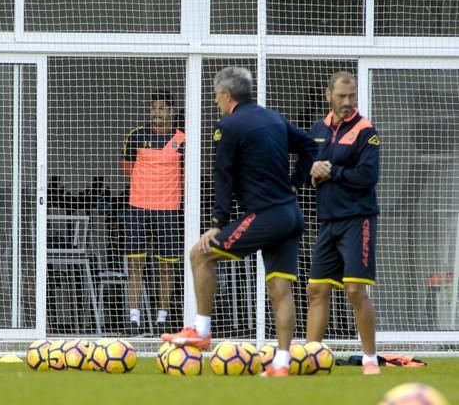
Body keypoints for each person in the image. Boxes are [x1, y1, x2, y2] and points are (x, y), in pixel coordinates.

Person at [161, 67, 318, 377]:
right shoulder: (274, 118)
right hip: (290, 214)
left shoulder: (228, 125)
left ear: (226, 95)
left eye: (216, 96)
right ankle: (282, 364)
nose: (216, 101)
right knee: (279, 287)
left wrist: (217, 220)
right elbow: (311, 146)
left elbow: (223, 176)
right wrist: (296, 182)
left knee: (199, 254)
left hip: (266, 215)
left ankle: (201, 331)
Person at [305, 71, 381, 376]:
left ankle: (370, 359)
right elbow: (306, 172)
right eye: (341, 96)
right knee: (316, 290)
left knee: (353, 290)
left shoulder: (366, 131)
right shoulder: (317, 130)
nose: (348, 102)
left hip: (357, 219)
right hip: (327, 221)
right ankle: (310, 358)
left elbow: (367, 177)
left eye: (352, 96)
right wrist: (312, 171)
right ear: (329, 96)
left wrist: (331, 171)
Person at [121, 91, 185, 335]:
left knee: (165, 266)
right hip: (138, 207)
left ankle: (162, 319)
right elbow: (127, 169)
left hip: (168, 210)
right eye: (153, 108)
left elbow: (187, 174)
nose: (156, 112)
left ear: (171, 111)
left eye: (161, 108)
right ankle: (133, 319)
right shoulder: (137, 136)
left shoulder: (182, 139)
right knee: (135, 264)